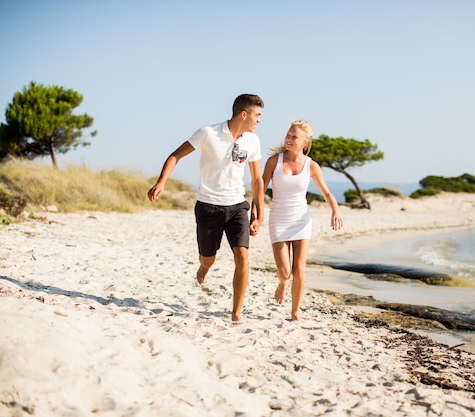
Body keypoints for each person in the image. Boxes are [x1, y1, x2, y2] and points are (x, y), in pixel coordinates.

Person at [147, 94, 265, 322]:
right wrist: (161, 181)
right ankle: (204, 266)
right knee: (208, 258)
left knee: (242, 255)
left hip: (237, 206)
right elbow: (175, 155)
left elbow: (257, 180)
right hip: (208, 206)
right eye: (257, 115)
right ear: (244, 114)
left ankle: (236, 311)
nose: (259, 120)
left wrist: (258, 212)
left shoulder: (253, 140)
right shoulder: (208, 133)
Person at [262, 119, 343, 321]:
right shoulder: (274, 161)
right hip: (278, 219)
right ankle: (282, 284)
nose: (288, 139)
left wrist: (335, 210)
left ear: (305, 141)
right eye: (288, 135)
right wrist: (255, 213)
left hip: (301, 220)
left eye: (294, 137)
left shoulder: (311, 165)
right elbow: (260, 189)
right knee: (284, 272)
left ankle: (295, 312)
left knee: (299, 269)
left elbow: (326, 193)